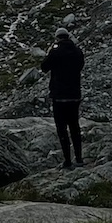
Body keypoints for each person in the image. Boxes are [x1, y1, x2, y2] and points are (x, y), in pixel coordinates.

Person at [40, 27, 85, 168]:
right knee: (75, 127)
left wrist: (49, 53)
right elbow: (80, 66)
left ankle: (67, 160)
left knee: (62, 129)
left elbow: (44, 67)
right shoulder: (78, 52)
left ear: (57, 38)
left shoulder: (55, 52)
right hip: (74, 95)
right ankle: (79, 158)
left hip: (59, 96)